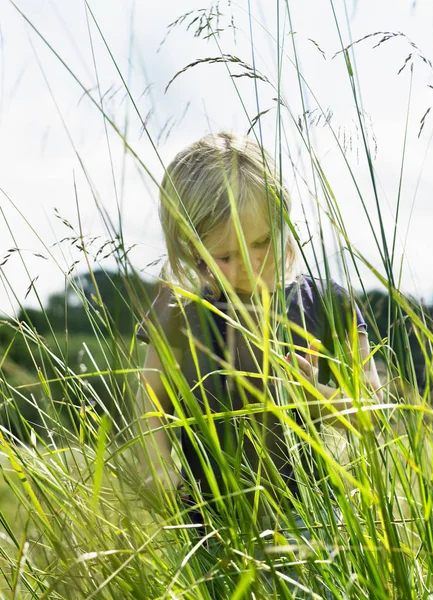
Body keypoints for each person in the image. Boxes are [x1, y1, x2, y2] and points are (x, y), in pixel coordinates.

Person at [134, 132, 382, 583]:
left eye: (264, 241)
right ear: (192, 250)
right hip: (206, 521)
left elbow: (373, 414)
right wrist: (157, 468)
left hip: (306, 514)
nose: (251, 264)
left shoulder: (327, 304)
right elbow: (150, 400)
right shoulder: (177, 312)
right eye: (226, 254)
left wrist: (314, 394)